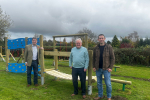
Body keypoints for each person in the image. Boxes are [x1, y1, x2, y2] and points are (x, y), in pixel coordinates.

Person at [93, 34, 115, 100]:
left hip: (106, 69)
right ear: (98, 39)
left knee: (108, 84)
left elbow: (112, 58)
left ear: (104, 39)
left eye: (102, 38)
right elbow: (93, 58)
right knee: (99, 83)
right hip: (98, 69)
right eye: (100, 38)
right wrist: (94, 66)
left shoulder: (109, 47)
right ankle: (100, 95)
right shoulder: (96, 48)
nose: (101, 39)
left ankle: (109, 97)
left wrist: (110, 67)